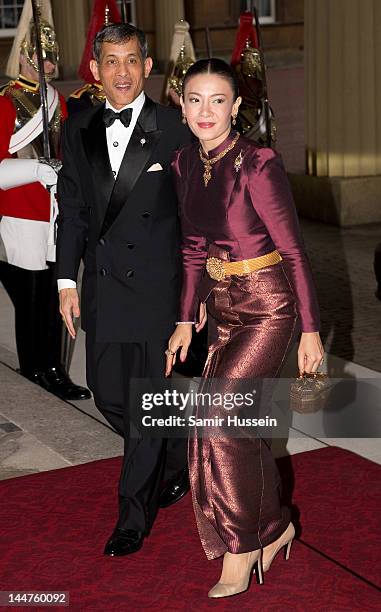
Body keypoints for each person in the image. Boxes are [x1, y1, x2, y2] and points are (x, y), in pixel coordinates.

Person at [167, 58, 323, 599]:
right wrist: (186, 317)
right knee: (233, 426)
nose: (205, 110)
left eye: (217, 100)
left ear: (236, 107)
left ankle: (242, 545)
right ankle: (274, 526)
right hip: (224, 308)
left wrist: (310, 330)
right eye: (194, 99)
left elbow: (295, 251)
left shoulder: (258, 163)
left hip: (268, 306)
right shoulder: (186, 163)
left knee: (218, 418)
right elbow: (191, 249)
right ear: (181, 105)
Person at [56, 23, 191, 557]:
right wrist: (67, 280)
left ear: (148, 65)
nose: (122, 72)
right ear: (94, 69)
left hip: (159, 292)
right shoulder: (78, 128)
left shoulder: (175, 127)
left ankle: (133, 516)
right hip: (105, 289)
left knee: (148, 403)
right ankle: (177, 452)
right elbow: (73, 210)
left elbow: (198, 214)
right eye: (111, 61)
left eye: (132, 60)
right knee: (109, 394)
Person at [0, 9, 90, 401]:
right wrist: (37, 169)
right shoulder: (5, 102)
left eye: (52, 55)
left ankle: (53, 367)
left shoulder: (57, 101)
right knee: (30, 298)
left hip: (55, 212)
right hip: (19, 214)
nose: (48, 62)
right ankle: (34, 366)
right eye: (41, 54)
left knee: (57, 294)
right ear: (23, 55)